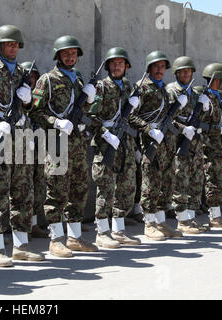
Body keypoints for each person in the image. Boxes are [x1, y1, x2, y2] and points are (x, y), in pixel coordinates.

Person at [0, 25, 44, 267]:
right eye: (9, 43)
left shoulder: (24, 73)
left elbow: (32, 108)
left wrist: (27, 103)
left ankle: (21, 245)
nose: (13, 47)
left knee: (24, 191)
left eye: (16, 44)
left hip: (22, 139)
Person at [29, 35, 98, 257]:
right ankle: (56, 239)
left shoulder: (77, 81)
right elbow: (35, 111)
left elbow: (84, 113)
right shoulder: (47, 80)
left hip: (77, 144)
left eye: (74, 53)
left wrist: (88, 100)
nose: (70, 57)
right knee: (56, 191)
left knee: (79, 189)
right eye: (66, 53)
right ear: (58, 55)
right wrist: (56, 122)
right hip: (56, 143)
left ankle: (75, 237)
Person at [128, 50, 186, 241]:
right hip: (151, 143)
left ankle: (161, 222)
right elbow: (130, 116)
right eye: (156, 66)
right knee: (150, 184)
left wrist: (182, 125)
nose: (160, 70)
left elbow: (166, 118)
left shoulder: (163, 89)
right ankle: (149, 224)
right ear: (149, 68)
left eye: (162, 67)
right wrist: (148, 129)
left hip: (167, 144)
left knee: (166, 183)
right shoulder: (141, 87)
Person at [89, 47, 142, 248]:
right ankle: (102, 232)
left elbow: (132, 117)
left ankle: (118, 229)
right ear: (108, 66)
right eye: (113, 63)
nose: (117, 66)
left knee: (127, 186)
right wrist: (105, 133)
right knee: (106, 186)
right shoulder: (101, 87)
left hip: (126, 142)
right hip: (107, 142)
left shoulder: (129, 88)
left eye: (120, 63)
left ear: (126, 66)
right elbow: (91, 116)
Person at [167, 56, 210, 233]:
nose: (186, 74)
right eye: (183, 71)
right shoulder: (172, 91)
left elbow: (201, 119)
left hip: (195, 143)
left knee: (196, 179)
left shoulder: (194, 93)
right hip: (179, 141)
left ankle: (191, 218)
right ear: (176, 73)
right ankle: (182, 220)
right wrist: (183, 128)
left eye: (189, 71)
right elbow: (167, 118)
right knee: (181, 180)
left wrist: (206, 109)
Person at [198, 63, 222, 227]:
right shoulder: (205, 97)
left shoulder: (219, 97)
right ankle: (214, 216)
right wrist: (219, 130)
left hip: (221, 146)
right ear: (217, 79)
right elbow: (201, 125)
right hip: (209, 146)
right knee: (213, 180)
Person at [20, 61, 48, 239]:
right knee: (23, 185)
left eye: (34, 77)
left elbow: (38, 111)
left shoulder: (37, 94)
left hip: (39, 142)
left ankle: (34, 222)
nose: (31, 80)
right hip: (20, 143)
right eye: (29, 76)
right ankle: (23, 224)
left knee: (38, 184)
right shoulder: (18, 93)